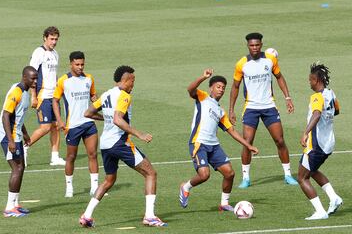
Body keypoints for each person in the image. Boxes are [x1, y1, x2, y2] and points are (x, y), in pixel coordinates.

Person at [79, 65, 167, 228]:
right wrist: (138, 134)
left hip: (105, 144)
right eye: (132, 81)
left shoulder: (106, 94)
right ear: (126, 80)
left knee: (109, 180)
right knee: (150, 173)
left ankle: (86, 215)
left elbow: (88, 113)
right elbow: (118, 119)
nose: (133, 84)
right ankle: (149, 216)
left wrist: (105, 118)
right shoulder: (124, 96)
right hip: (119, 143)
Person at [179, 69, 258, 211]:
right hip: (199, 143)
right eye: (218, 87)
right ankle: (185, 187)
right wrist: (203, 77)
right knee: (204, 175)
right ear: (211, 88)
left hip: (214, 146)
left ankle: (224, 203)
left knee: (230, 173)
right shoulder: (202, 97)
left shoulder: (221, 111)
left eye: (223, 88)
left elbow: (232, 131)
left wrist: (248, 146)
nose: (221, 90)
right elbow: (190, 89)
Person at [229, 32, 298, 188]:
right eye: (252, 45)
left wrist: (288, 98)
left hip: (269, 106)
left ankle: (288, 175)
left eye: (257, 45)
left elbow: (279, 77)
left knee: (280, 140)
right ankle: (246, 178)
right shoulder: (241, 64)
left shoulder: (270, 59)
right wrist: (231, 109)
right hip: (251, 108)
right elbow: (235, 86)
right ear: (247, 46)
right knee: (247, 143)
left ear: (261, 45)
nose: (254, 48)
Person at [298, 63, 342, 220]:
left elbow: (316, 114)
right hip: (329, 142)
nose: (309, 82)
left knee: (302, 177)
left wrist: (305, 132)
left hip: (317, 145)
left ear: (316, 80)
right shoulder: (331, 93)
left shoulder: (316, 97)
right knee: (313, 170)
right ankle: (334, 198)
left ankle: (320, 211)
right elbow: (336, 110)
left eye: (310, 79)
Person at [52, 51, 99, 197]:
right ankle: (69, 188)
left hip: (89, 123)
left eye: (82, 64)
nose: (80, 67)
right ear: (71, 63)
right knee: (71, 157)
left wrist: (97, 102)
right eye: (77, 64)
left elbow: (93, 96)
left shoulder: (89, 78)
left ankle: (95, 187)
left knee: (93, 154)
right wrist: (59, 120)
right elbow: (55, 100)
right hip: (72, 125)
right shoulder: (63, 80)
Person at [0, 66, 38, 217]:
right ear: (24, 77)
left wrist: (25, 134)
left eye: (36, 78)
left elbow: (18, 117)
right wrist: (10, 140)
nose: (35, 81)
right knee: (17, 168)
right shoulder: (16, 92)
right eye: (33, 78)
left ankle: (15, 204)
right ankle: (9, 208)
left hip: (17, 134)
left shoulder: (25, 92)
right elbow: (6, 116)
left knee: (21, 167)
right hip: (9, 135)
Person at [25, 26, 65, 166]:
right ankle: (24, 147)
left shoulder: (55, 54)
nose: (54, 42)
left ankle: (55, 157)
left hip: (53, 96)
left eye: (56, 39)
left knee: (55, 126)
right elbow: (31, 75)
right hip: (42, 96)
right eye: (51, 39)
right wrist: (33, 96)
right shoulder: (38, 53)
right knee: (46, 127)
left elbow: (54, 75)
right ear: (45, 38)